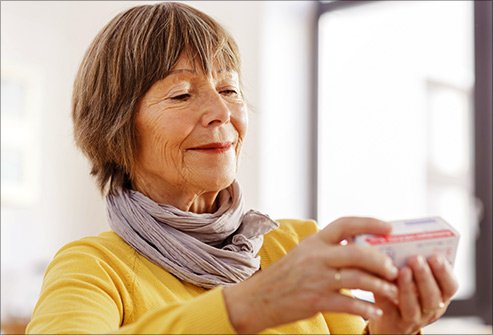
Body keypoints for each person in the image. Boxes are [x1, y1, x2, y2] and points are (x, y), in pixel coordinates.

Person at [26, 2, 458, 334]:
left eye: (229, 88)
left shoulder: (295, 243)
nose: (221, 112)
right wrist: (252, 303)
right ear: (115, 128)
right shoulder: (93, 266)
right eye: (181, 95)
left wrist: (392, 329)